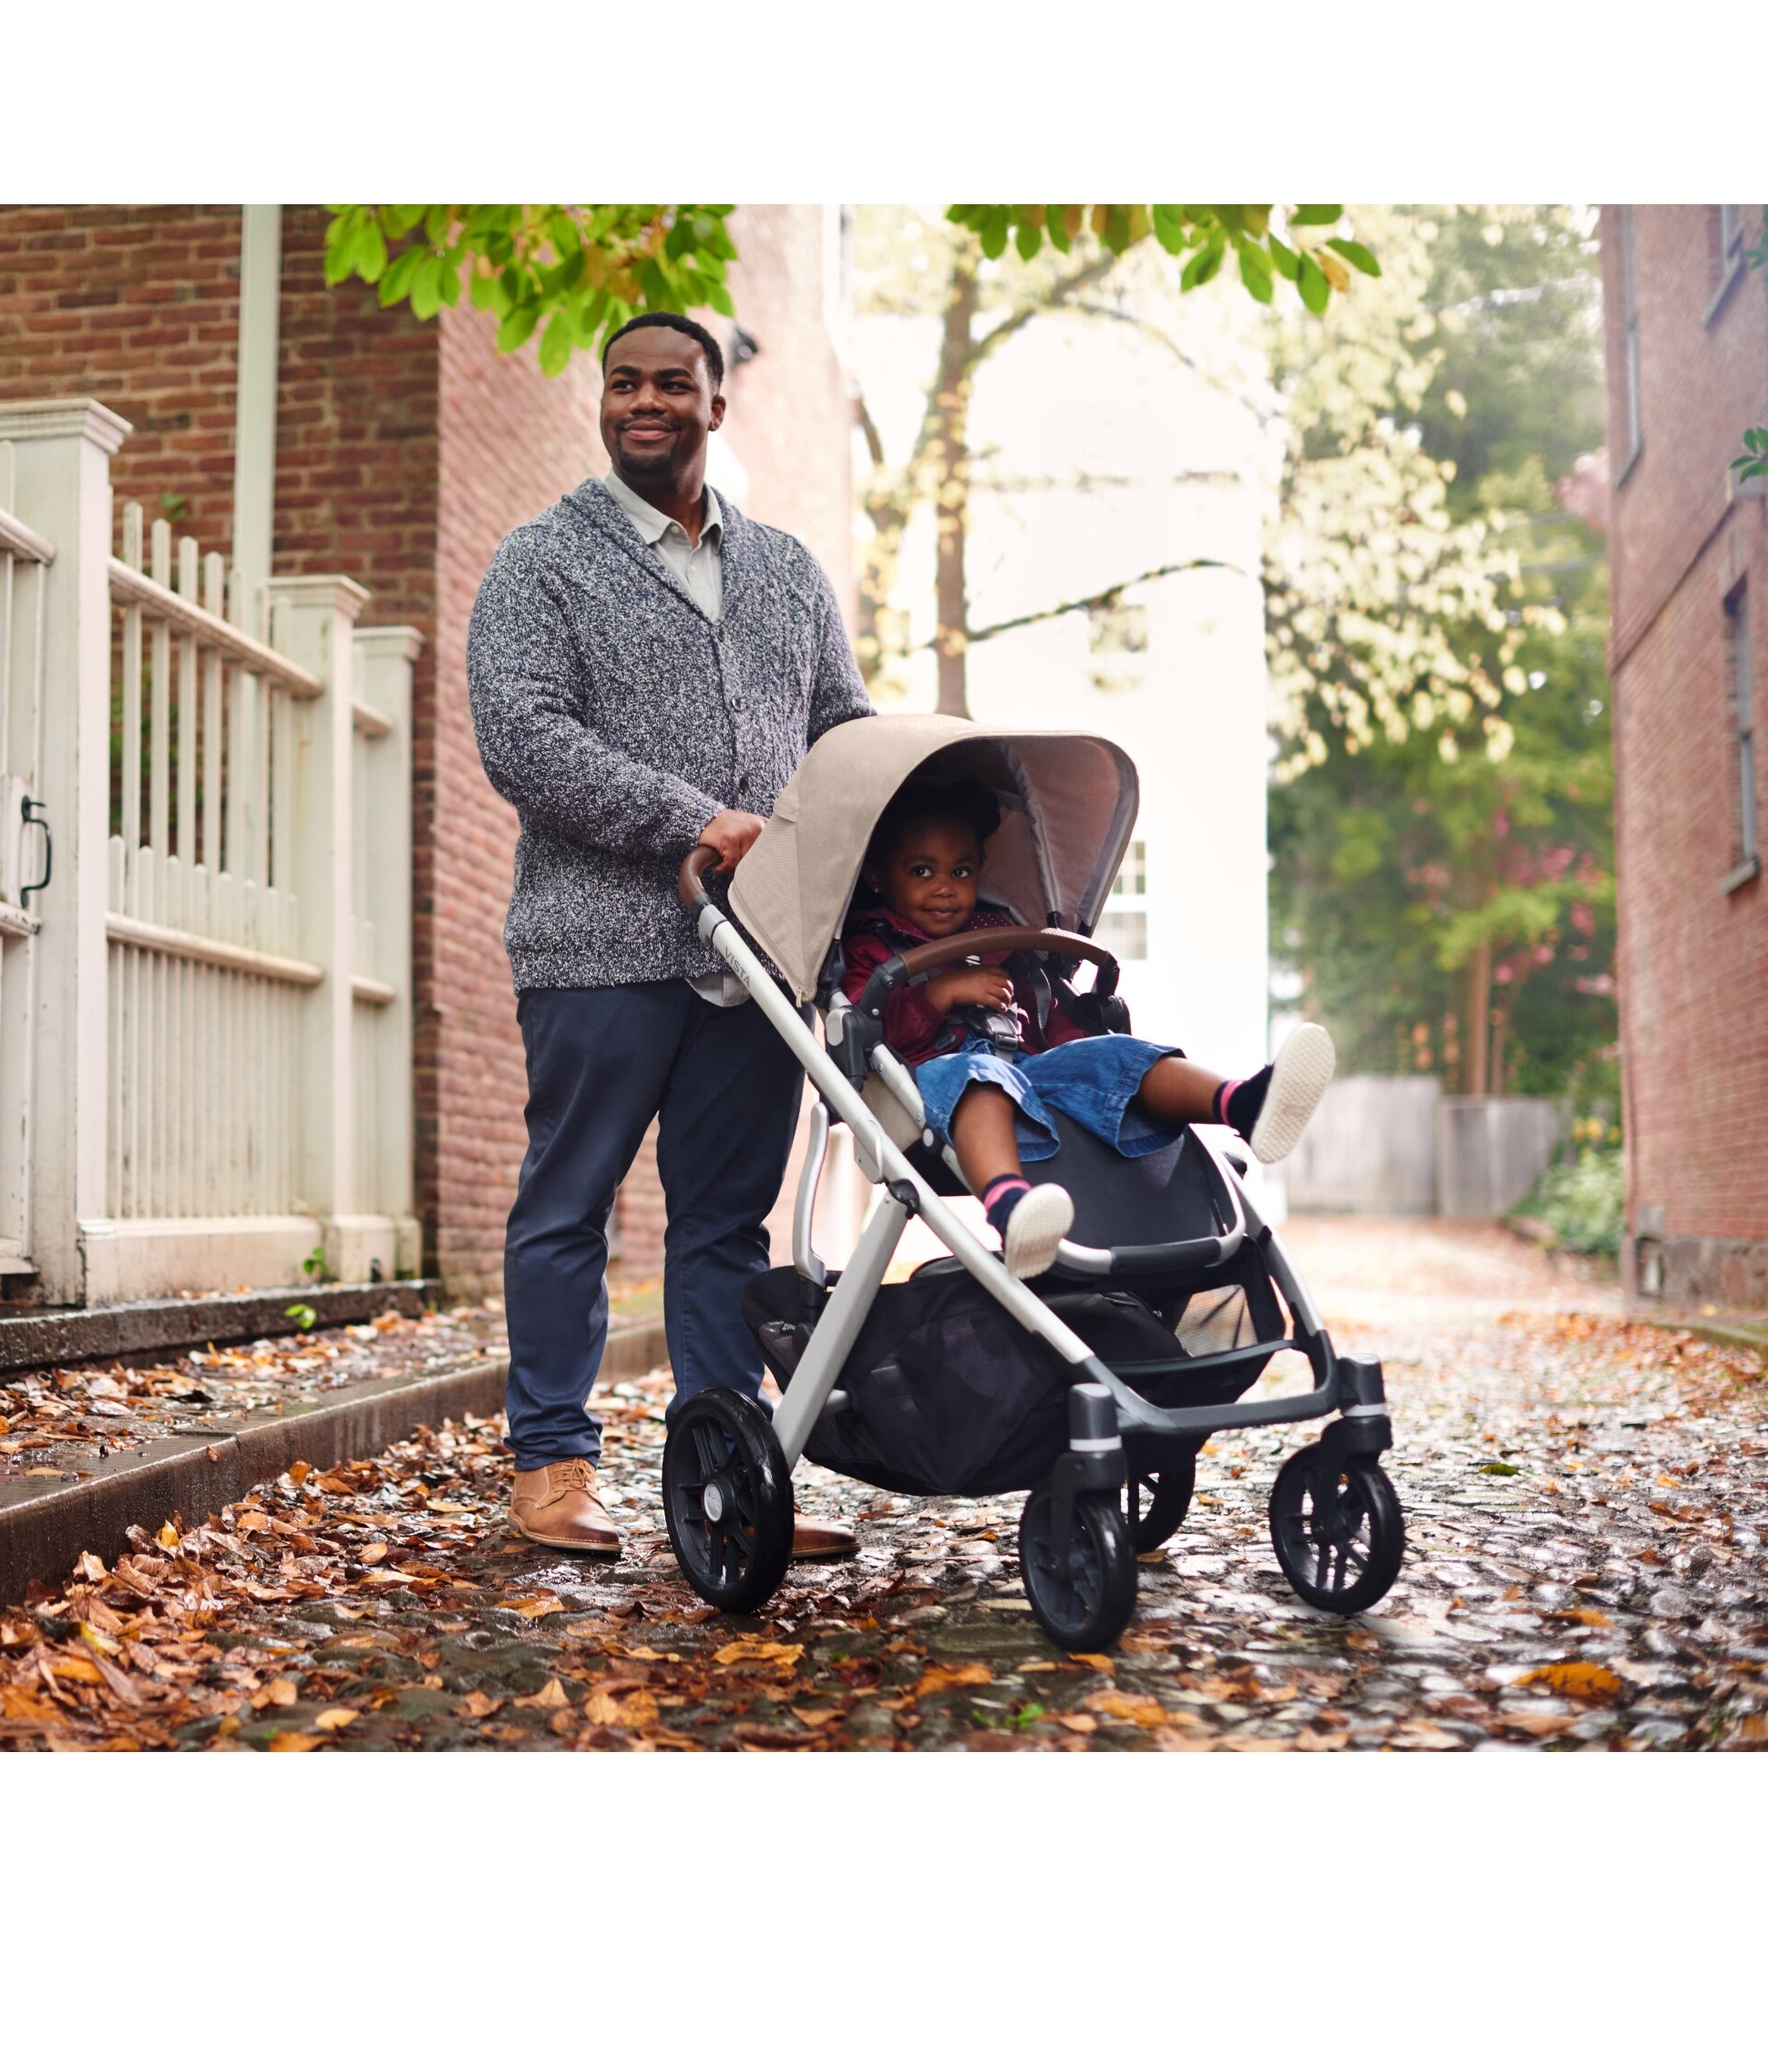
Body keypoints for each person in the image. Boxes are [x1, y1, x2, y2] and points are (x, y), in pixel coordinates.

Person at [468, 311, 874, 1556]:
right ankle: (551, 1465)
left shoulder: (789, 572)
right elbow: (524, 740)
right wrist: (692, 818)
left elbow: (843, 736)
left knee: (724, 1226)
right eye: (623, 383)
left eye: (672, 384)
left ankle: (732, 1471)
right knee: (570, 1206)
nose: (645, 401)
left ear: (715, 404)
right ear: (603, 402)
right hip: (597, 948)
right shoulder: (540, 564)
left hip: (757, 958)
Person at [840, 779, 1334, 1277]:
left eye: (961, 871)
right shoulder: (870, 948)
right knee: (980, 1077)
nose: (945, 887)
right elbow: (869, 1026)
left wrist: (1088, 1063)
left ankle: (1244, 1104)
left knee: (1115, 1056)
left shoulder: (996, 934)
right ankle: (1012, 1208)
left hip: (1030, 1071)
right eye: (922, 871)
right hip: (933, 1080)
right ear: (879, 876)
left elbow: (1049, 1019)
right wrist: (939, 993)